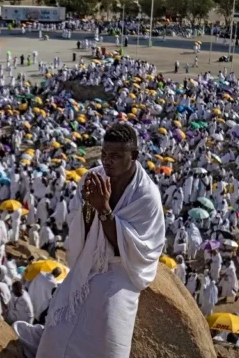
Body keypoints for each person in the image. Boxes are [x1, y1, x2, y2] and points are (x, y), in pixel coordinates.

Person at [34, 124, 165, 358]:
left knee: (108, 331)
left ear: (133, 156)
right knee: (57, 326)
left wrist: (103, 209)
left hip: (121, 268)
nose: (107, 161)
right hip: (89, 259)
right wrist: (88, 206)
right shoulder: (92, 177)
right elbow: (82, 226)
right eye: (104, 154)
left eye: (115, 156)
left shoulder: (146, 196)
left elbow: (131, 249)